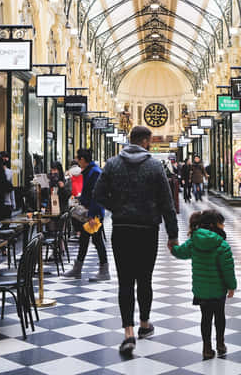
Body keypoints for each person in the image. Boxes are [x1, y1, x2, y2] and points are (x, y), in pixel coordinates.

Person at [94, 126, 179, 356]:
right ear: (145, 141)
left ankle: (128, 333)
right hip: (147, 230)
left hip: (122, 229)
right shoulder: (154, 166)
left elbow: (98, 195)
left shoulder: (112, 164)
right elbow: (167, 203)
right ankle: (144, 324)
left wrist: (118, 208)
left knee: (124, 281)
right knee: (144, 279)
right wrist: (173, 235)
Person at [171, 209, 236, 360]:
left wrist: (173, 247)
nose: (223, 227)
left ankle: (207, 348)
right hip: (219, 290)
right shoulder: (222, 245)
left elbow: (181, 252)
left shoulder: (194, 240)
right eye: (221, 224)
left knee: (205, 318)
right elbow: (228, 270)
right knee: (219, 316)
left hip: (201, 290)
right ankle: (220, 344)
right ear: (214, 225)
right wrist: (232, 286)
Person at [63, 148, 109, 281]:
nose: (77, 162)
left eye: (78, 159)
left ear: (83, 160)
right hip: (91, 211)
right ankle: (77, 269)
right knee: (84, 240)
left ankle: (104, 271)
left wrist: (92, 216)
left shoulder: (94, 172)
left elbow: (96, 195)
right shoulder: (90, 171)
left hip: (93, 214)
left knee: (97, 240)